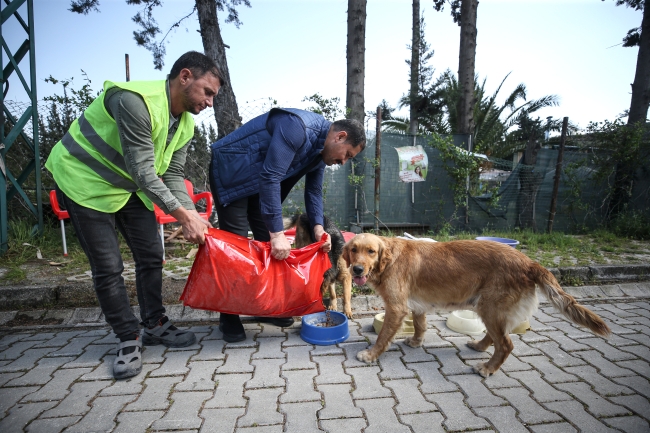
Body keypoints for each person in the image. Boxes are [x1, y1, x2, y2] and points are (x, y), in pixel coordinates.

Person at [45, 51, 223, 379]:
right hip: (84, 180)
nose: (210, 102)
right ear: (185, 77)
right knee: (109, 266)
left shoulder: (184, 124)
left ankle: (154, 322)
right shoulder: (133, 101)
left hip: (127, 187)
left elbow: (172, 173)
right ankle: (128, 336)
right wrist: (183, 216)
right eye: (207, 92)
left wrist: (193, 214)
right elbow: (143, 170)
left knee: (151, 254)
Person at [209, 108, 366, 342]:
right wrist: (277, 234)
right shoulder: (297, 128)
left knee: (268, 245)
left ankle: (267, 307)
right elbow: (271, 176)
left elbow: (313, 192)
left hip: (258, 182)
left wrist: (318, 228)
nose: (343, 162)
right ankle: (228, 316)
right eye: (348, 155)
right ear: (340, 137)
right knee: (236, 247)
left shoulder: (320, 151)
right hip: (233, 172)